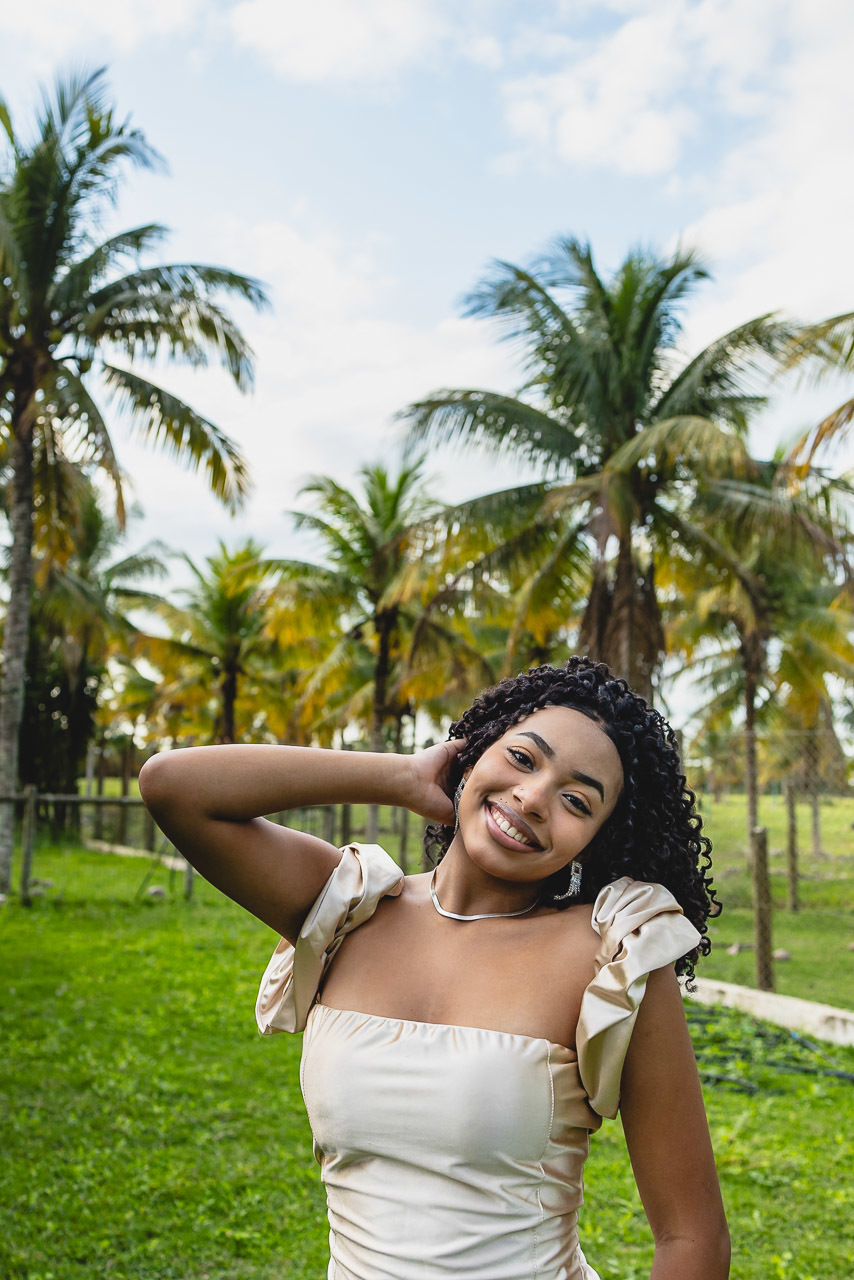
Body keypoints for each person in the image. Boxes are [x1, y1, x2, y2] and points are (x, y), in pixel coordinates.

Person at [139, 656, 730, 1280]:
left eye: (576, 801)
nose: (531, 799)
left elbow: (692, 1236)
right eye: (523, 759)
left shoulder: (609, 956)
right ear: (469, 754)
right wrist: (399, 776)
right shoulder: (350, 909)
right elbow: (174, 787)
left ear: (596, 840)